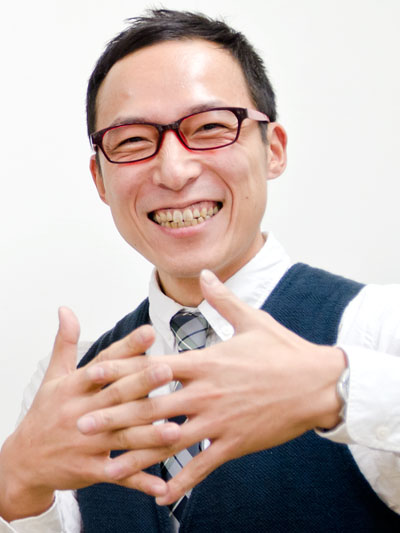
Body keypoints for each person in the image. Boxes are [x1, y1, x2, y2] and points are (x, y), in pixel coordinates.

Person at [1, 8, 400, 532]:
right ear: (99, 179)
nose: (174, 170)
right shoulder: (69, 388)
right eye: (132, 140)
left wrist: (342, 388)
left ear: (274, 150)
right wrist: (15, 483)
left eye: (211, 127)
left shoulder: (379, 329)